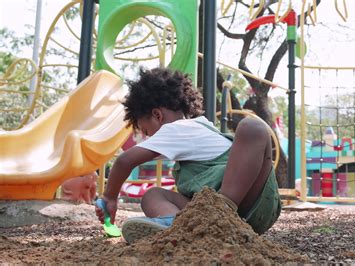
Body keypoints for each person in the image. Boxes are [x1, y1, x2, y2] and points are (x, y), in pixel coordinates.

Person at [95, 67, 281, 243]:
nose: (149, 137)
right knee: (153, 195)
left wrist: (109, 197)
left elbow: (124, 161)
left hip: (250, 199)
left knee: (252, 127)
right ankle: (176, 224)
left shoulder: (176, 129)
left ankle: (223, 209)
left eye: (146, 130)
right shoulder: (202, 127)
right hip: (244, 216)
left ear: (157, 115)